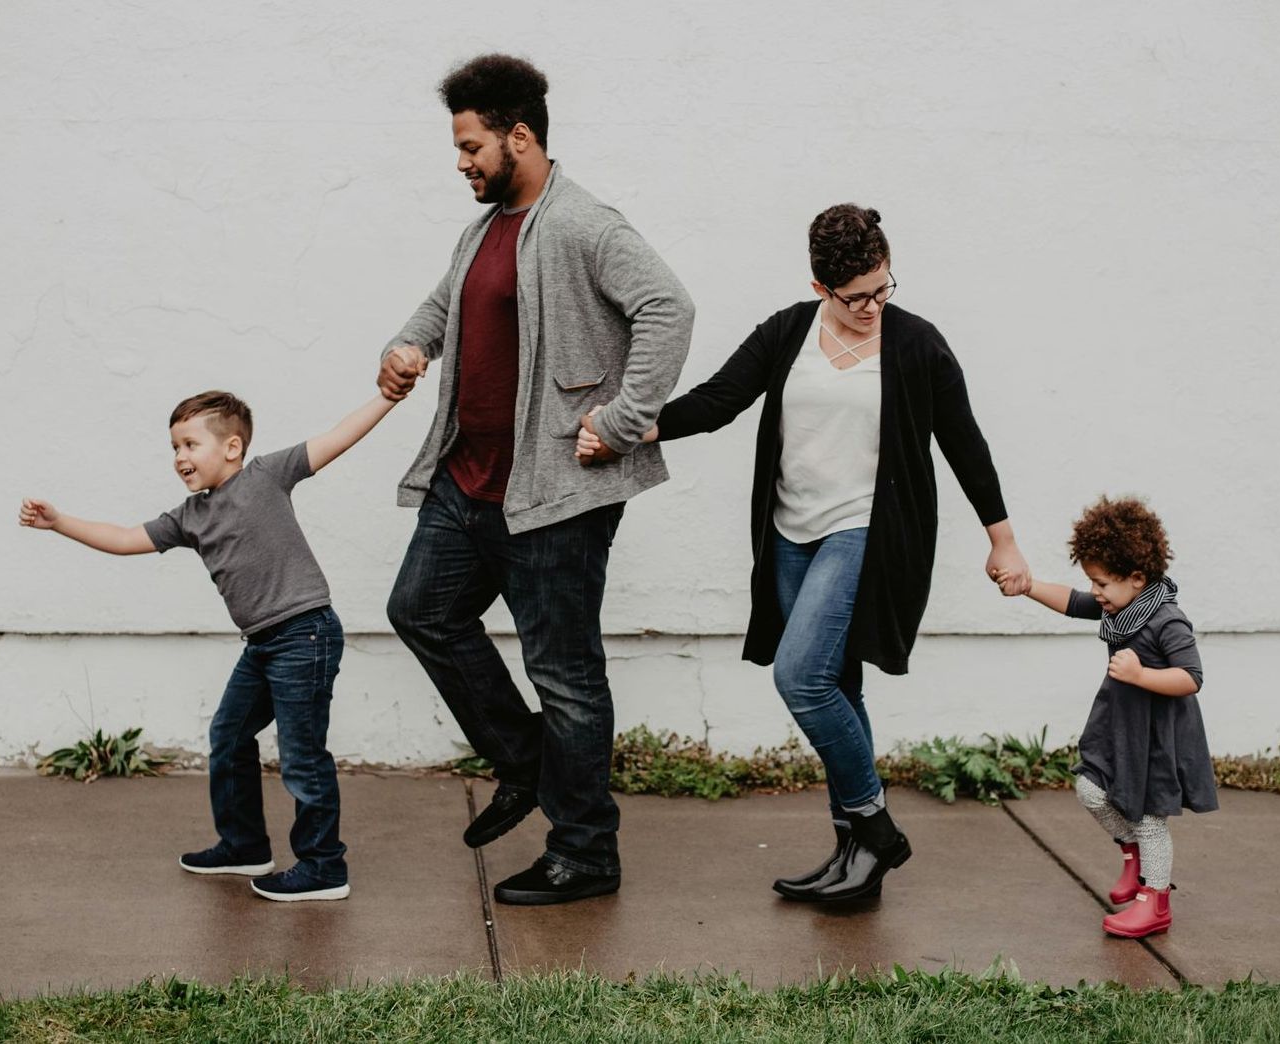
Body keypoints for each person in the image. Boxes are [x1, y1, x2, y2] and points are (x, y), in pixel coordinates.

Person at [577, 204, 1031, 902]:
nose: (873, 306)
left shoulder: (915, 345)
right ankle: (856, 860)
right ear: (821, 288)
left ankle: (875, 828)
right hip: (790, 534)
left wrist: (1002, 540)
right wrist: (629, 429)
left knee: (802, 679)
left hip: (864, 532)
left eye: (884, 289)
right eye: (856, 297)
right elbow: (720, 400)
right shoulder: (790, 331)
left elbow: (964, 442)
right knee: (838, 686)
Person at [378, 54, 694, 906]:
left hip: (553, 494)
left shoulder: (584, 225)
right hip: (468, 482)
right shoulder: (483, 228)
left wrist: (623, 420)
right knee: (420, 611)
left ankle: (586, 851)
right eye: (459, 145)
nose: (461, 161)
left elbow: (670, 308)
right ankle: (525, 765)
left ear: (520, 136)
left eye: (472, 144)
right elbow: (445, 305)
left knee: (565, 673)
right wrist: (407, 347)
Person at [19, 388, 403, 901]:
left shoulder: (267, 475)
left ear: (232, 447)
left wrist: (388, 397)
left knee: (302, 756)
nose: (179, 457)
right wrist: (59, 522)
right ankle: (244, 844)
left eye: (190, 444)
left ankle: (323, 865)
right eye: (174, 447)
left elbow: (338, 437)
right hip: (263, 644)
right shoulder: (189, 516)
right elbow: (125, 537)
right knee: (229, 734)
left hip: (304, 634)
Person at [997, 495, 1216, 938]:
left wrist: (1140, 674)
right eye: (1093, 581)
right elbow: (1073, 601)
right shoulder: (1120, 607)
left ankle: (1155, 901)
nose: (1096, 592)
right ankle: (1131, 855)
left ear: (1137, 578)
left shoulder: (1166, 619)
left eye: (1102, 583)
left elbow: (1191, 677)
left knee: (1148, 816)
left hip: (1155, 735)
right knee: (1090, 789)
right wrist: (1028, 585)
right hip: (1119, 726)